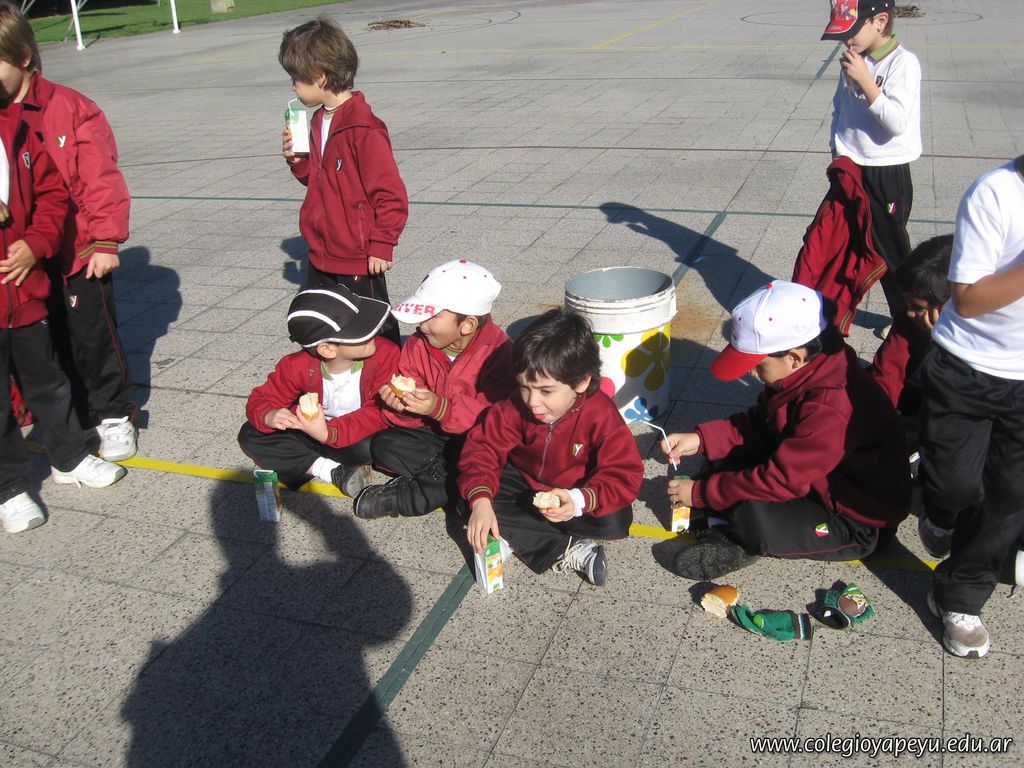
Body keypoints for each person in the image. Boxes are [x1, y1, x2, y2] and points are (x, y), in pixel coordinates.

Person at [663, 281, 910, 581]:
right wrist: (702, 439)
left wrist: (702, 493)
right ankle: (724, 519)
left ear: (794, 357)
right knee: (722, 460)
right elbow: (760, 424)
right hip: (814, 477)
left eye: (758, 365)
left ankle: (735, 539)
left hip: (855, 519)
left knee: (750, 513)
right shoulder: (803, 372)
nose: (751, 373)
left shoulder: (831, 405)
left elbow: (782, 480)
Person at [0, 2, 137, 461]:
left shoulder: (70, 108)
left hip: (79, 251)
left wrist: (106, 240)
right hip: (27, 255)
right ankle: (65, 413)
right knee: (47, 342)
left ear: (23, 58)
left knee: (94, 338)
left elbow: (100, 178)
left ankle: (114, 414)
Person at [0, 67, 125, 534]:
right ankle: (10, 488)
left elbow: (54, 193)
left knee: (50, 380)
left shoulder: (15, 128)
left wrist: (36, 242)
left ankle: (69, 456)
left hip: (25, 289)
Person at [916, 157, 1024, 658]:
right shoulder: (995, 193)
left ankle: (958, 596)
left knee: (1009, 496)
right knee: (956, 485)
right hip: (966, 368)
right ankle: (939, 510)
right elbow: (969, 298)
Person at [459, 308, 643, 586]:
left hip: (575, 489)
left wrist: (579, 500)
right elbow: (482, 448)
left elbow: (625, 473)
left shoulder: (600, 414)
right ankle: (565, 548)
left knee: (615, 522)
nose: (532, 401)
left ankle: (517, 531)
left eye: (546, 391)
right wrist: (481, 500)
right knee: (471, 495)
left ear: (581, 382)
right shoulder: (515, 406)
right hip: (523, 483)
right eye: (524, 387)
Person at [279, 16, 408, 346]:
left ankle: (390, 366)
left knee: (373, 321)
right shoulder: (319, 120)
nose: (293, 86)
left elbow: (390, 193)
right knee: (327, 319)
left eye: (296, 78)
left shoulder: (364, 130)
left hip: (357, 254)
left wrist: (382, 243)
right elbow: (316, 180)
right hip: (322, 249)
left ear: (319, 77)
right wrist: (298, 161)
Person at [354, 259, 513, 520]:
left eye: (433, 316)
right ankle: (452, 480)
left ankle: (409, 497)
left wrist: (442, 408)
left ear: (468, 324)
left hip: (477, 440)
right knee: (383, 445)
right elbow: (413, 410)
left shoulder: (499, 354)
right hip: (433, 434)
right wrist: (402, 408)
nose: (421, 325)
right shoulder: (418, 344)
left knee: (494, 464)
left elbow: (496, 418)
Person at [238, 284, 399, 497]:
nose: (374, 332)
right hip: (314, 431)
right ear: (327, 349)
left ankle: (305, 462)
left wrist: (329, 433)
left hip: (355, 433)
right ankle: (331, 470)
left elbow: (378, 412)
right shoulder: (295, 365)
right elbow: (262, 398)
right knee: (250, 434)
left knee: (376, 445)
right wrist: (270, 415)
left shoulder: (386, 354)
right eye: (361, 332)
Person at [822, 0, 921, 317]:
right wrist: (837, 151)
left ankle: (910, 322)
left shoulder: (902, 63)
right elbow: (841, 109)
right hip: (851, 168)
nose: (845, 40)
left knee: (890, 253)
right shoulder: (855, 59)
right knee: (836, 243)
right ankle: (831, 311)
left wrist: (867, 82)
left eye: (851, 31)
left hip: (885, 172)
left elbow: (896, 123)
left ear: (879, 22)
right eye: (841, 33)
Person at [868, 234, 952, 439]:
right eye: (908, 303)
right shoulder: (907, 320)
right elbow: (888, 373)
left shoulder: (982, 340)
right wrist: (876, 419)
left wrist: (940, 341)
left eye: (918, 307)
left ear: (947, 305)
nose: (909, 312)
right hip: (912, 398)